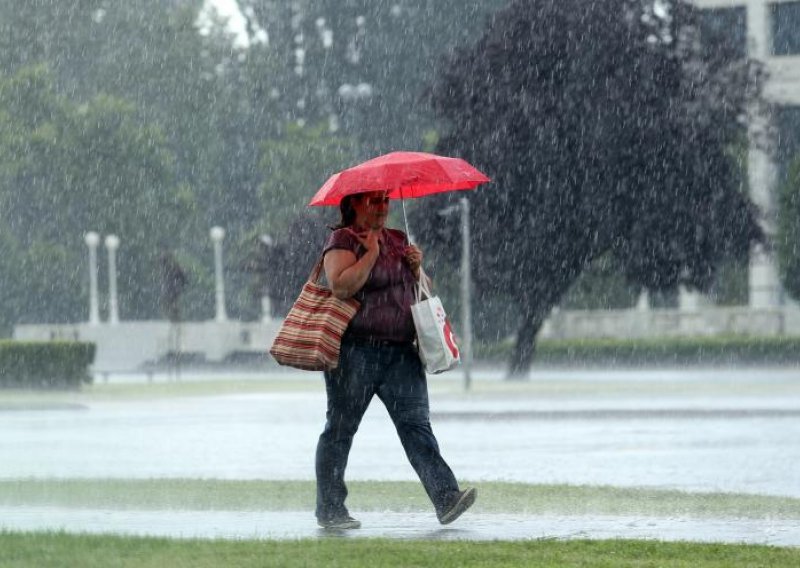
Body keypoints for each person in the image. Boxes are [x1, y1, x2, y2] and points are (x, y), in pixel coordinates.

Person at [315, 189, 476, 530]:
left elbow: (423, 289)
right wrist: (371, 252)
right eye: (374, 201)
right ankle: (330, 510)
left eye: (386, 201)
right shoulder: (342, 240)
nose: (383, 207)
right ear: (354, 205)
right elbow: (341, 285)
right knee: (340, 430)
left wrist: (417, 269)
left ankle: (446, 498)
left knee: (416, 427)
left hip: (402, 352)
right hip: (356, 352)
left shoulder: (398, 239)